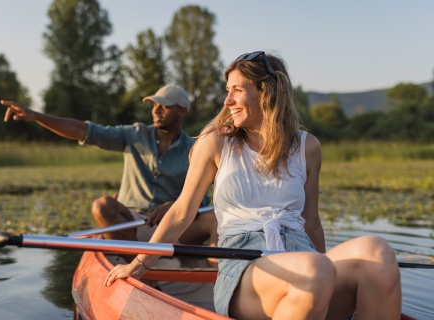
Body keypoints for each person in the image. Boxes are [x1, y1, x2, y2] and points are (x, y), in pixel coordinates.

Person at [104, 51, 401, 319]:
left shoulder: (307, 147)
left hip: (304, 259)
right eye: (227, 91)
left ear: (266, 92)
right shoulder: (217, 142)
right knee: (315, 269)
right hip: (244, 266)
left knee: (377, 252)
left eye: (236, 90)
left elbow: (310, 224)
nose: (227, 101)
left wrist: (325, 281)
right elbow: (182, 211)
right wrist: (139, 264)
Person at [0, 84, 218, 252]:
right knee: (102, 205)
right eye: (154, 105)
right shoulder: (134, 134)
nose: (156, 110)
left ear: (182, 112)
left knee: (213, 218)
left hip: (172, 225)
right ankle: (143, 274)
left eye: (164, 106)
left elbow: (202, 202)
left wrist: (174, 205)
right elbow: (84, 131)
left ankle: (217, 281)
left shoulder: (196, 148)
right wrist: (37, 116)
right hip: (130, 226)